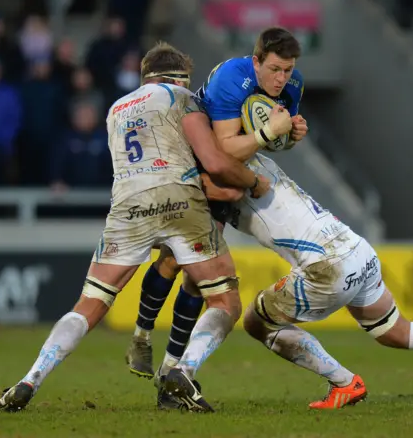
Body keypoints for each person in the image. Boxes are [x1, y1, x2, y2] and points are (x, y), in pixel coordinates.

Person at [128, 30, 413, 411]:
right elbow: (236, 149)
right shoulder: (255, 156)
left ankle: (326, 380)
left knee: (254, 320)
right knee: (397, 331)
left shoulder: (229, 170)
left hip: (326, 267)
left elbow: (227, 181)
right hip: (358, 251)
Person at [0, 41, 270, 412]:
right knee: (224, 300)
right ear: (181, 76)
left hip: (126, 206)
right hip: (178, 197)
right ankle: (181, 371)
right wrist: (251, 180)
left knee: (89, 304)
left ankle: (31, 378)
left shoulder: (115, 109)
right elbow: (212, 160)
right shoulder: (183, 97)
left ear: (145, 76)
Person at [125, 27, 303, 409]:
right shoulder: (229, 80)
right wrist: (269, 134)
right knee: (174, 260)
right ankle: (141, 335)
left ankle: (171, 374)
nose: (281, 79)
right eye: (274, 69)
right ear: (256, 61)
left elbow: (270, 138)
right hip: (195, 164)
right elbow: (221, 151)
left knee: (195, 277)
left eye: (287, 70)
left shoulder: (293, 84)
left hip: (228, 179)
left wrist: (291, 135)